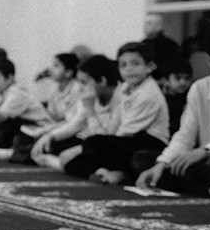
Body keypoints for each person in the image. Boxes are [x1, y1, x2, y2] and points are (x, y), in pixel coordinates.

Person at [133, 25, 210, 201]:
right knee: (143, 159)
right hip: (207, 164)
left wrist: (206, 150)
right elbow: (185, 136)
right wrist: (162, 164)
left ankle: (192, 184)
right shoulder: (200, 88)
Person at [63, 41, 169, 184]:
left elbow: (124, 133)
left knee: (94, 143)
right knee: (72, 162)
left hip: (149, 143)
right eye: (123, 65)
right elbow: (114, 128)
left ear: (150, 66)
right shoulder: (123, 89)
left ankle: (123, 174)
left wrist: (89, 145)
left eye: (135, 63)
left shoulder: (148, 95)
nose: (129, 69)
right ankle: (102, 172)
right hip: (125, 140)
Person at [31, 54, 119, 171]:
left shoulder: (119, 98)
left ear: (102, 81)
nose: (81, 87)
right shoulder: (92, 96)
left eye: (84, 82)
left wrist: (90, 110)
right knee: (51, 144)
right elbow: (75, 122)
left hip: (108, 144)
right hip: (91, 141)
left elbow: (104, 139)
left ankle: (60, 163)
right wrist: (50, 135)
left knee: (76, 157)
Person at [0, 57, 50, 161]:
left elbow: (0, 118)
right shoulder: (4, 91)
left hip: (39, 130)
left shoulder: (16, 93)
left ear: (9, 78)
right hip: (26, 128)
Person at [158, 57, 193, 135]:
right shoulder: (158, 98)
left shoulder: (190, 97)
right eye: (178, 78)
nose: (183, 82)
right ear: (165, 80)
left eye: (187, 78)